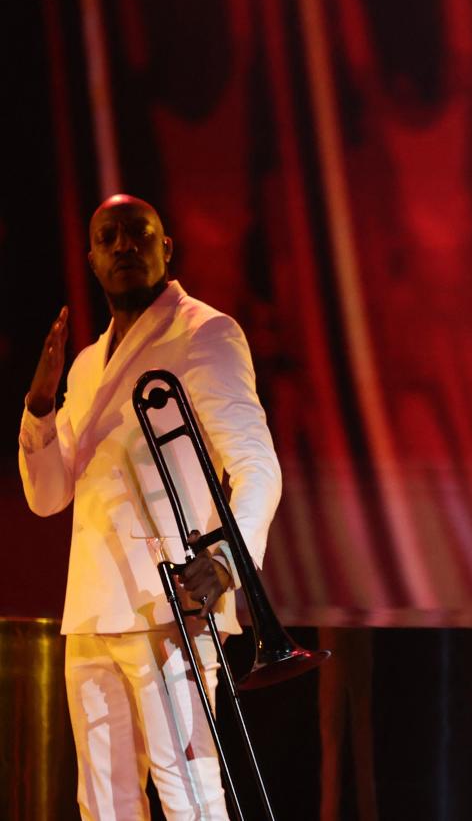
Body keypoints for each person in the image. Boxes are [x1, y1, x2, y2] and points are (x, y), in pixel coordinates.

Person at [19, 194, 282, 820]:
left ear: (167, 248)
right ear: (91, 258)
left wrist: (223, 562)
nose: (123, 246)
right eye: (108, 238)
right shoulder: (83, 367)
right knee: (103, 806)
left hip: (172, 609)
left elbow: (257, 467)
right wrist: (38, 410)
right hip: (90, 613)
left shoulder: (206, 331)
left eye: (139, 234)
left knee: (191, 800)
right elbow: (49, 497)